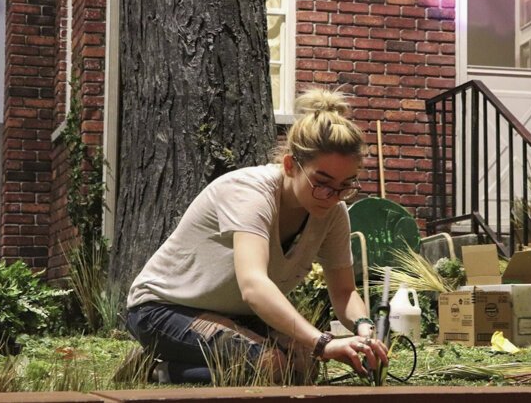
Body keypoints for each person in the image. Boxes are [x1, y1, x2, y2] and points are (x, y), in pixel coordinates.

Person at [125, 88, 389, 384]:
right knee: (272, 367)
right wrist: (322, 343)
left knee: (304, 367)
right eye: (322, 183)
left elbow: (344, 293)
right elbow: (253, 285)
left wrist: (364, 326)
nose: (331, 196)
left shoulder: (333, 212)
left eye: (345, 186)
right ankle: (160, 369)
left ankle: (182, 361)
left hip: (234, 314)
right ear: (290, 165)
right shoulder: (250, 192)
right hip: (162, 310)